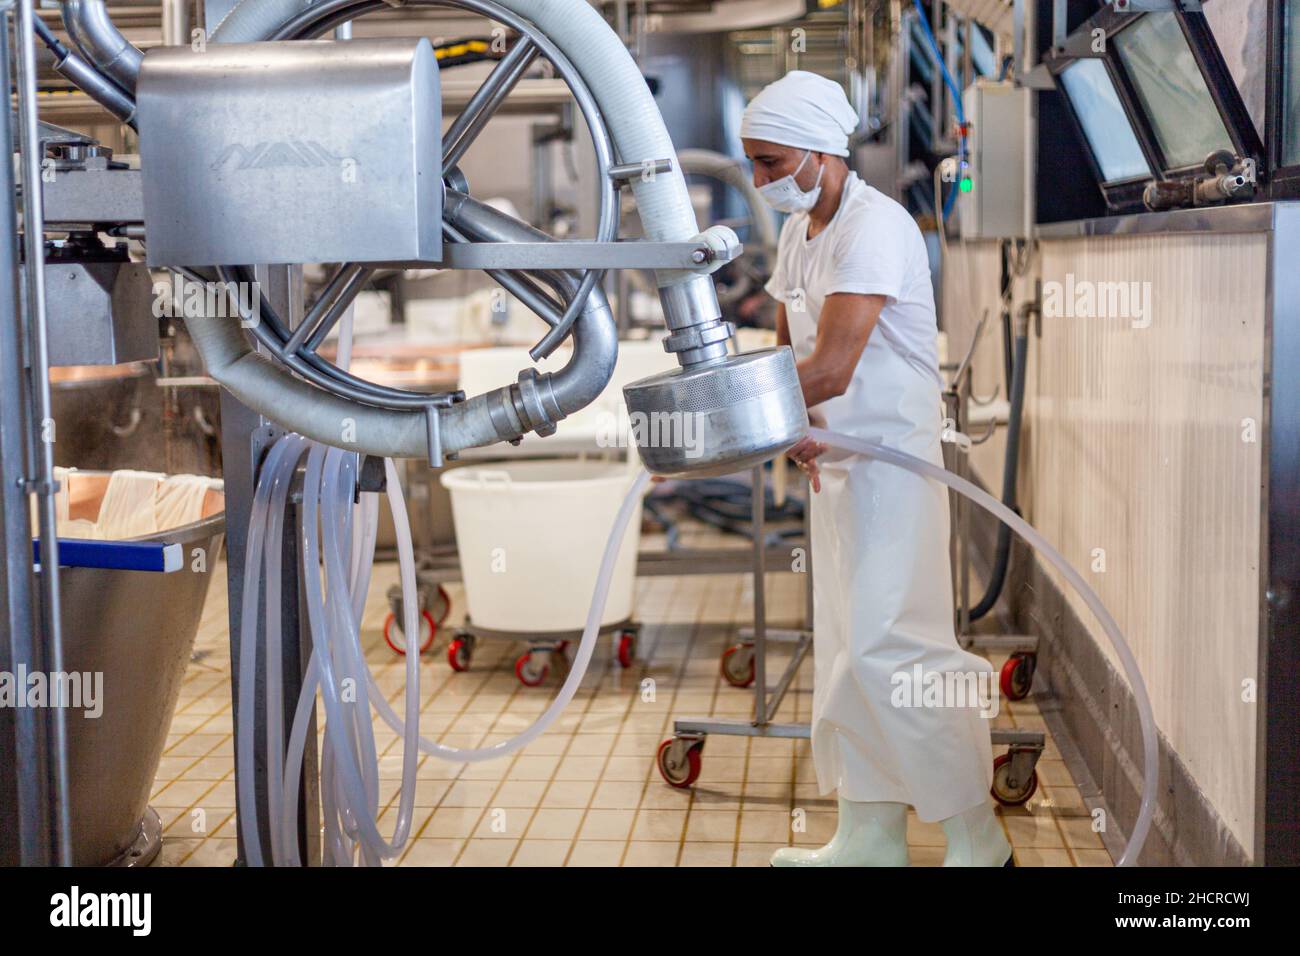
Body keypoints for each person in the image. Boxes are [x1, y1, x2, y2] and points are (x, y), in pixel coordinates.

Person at [740, 70, 1011, 867]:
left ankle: (977, 837)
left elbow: (830, 369)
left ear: (819, 152)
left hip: (892, 471)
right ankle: (869, 835)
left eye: (769, 161)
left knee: (899, 649)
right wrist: (790, 426)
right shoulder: (801, 234)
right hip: (837, 472)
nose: (758, 179)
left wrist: (740, 412)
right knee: (847, 648)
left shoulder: (875, 227)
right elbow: (787, 352)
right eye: (752, 161)